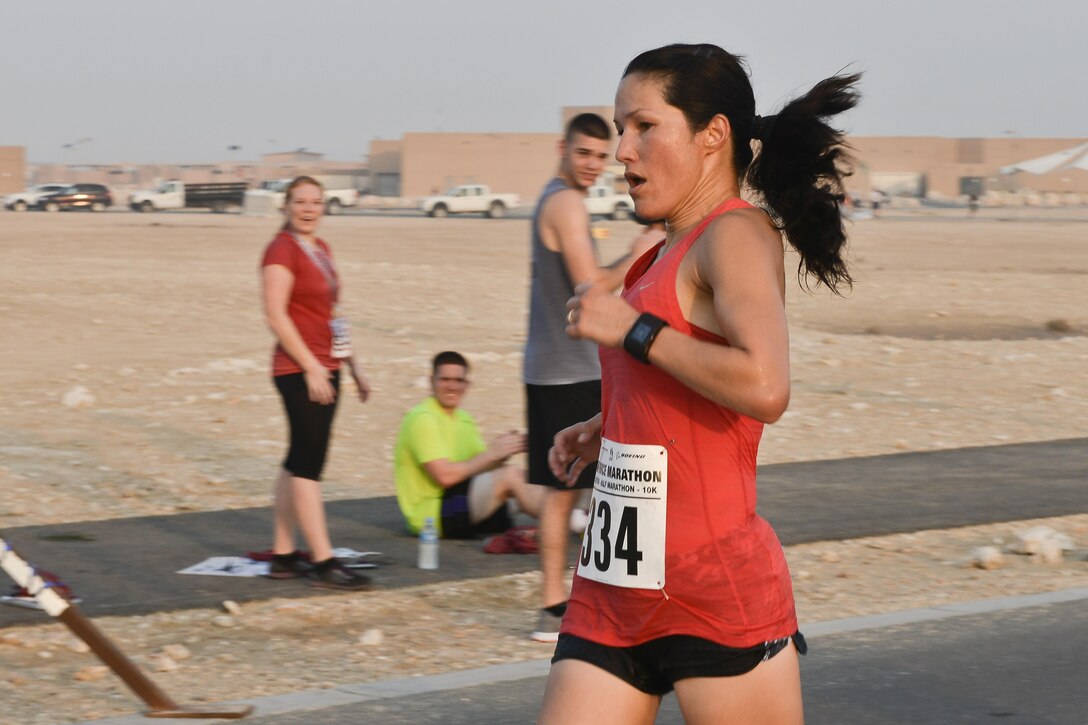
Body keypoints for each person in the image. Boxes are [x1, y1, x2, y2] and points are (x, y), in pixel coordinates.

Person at [537, 44, 860, 724]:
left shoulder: (734, 234)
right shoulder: (660, 251)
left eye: (643, 126)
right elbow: (682, 381)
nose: (623, 150)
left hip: (713, 595)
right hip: (615, 585)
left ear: (713, 135)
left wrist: (632, 330)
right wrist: (609, 427)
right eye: (620, 127)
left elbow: (765, 385)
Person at [524, 113, 663, 643]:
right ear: (562, 148)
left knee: (580, 487)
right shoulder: (564, 203)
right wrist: (637, 251)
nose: (591, 164)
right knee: (570, 490)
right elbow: (591, 292)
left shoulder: (557, 198)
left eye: (599, 157)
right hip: (563, 370)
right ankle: (555, 607)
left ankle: (577, 598)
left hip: (559, 365)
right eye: (583, 153)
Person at [260, 175, 373, 591]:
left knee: (297, 459)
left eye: (315, 202)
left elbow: (333, 312)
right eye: (300, 201)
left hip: (328, 364)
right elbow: (275, 314)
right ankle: (324, 560)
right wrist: (310, 366)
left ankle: (283, 553)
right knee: (310, 464)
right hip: (298, 370)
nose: (308, 209)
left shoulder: (321, 249)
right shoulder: (281, 250)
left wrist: (354, 364)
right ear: (286, 206)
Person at [394, 351, 545, 538]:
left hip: (458, 501)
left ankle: (575, 517)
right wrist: (492, 454)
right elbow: (445, 477)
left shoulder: (463, 419)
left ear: (467, 385)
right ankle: (571, 521)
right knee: (511, 476)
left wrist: (505, 450)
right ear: (431, 382)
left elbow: (481, 468)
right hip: (431, 515)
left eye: (458, 380)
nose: (452, 386)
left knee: (524, 478)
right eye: (445, 379)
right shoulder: (422, 418)